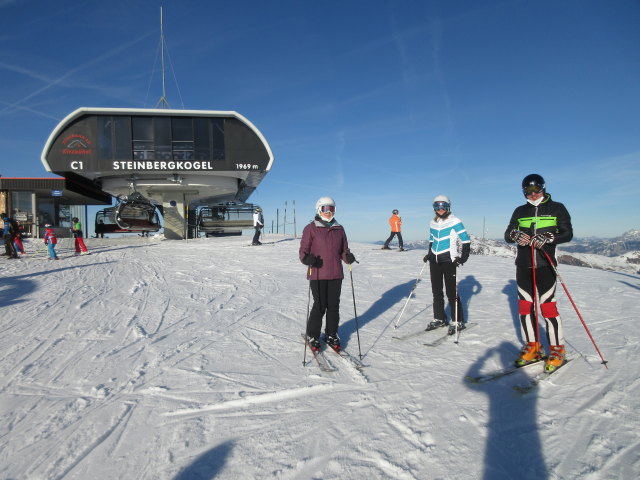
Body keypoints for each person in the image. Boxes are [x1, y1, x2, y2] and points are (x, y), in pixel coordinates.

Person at [505, 174, 573, 372]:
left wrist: (551, 236)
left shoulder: (557, 207)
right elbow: (508, 234)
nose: (533, 195)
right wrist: (516, 235)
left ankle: (557, 349)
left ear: (543, 188)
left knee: (548, 308)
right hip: (523, 265)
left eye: (536, 190)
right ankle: (533, 346)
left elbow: (567, 233)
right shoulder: (520, 210)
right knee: (525, 307)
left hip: (546, 265)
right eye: (528, 191)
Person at [299, 196, 356, 352]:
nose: (329, 212)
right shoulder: (310, 228)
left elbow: (343, 250)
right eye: (325, 209)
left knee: (333, 306)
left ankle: (331, 334)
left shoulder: (339, 229)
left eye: (331, 209)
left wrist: (348, 257)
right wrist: (307, 258)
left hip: (336, 273)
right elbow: (303, 251)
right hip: (317, 272)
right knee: (320, 305)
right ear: (319, 209)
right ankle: (313, 335)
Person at [423, 195, 471, 335]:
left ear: (448, 206)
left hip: (449, 259)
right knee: (436, 291)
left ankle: (457, 321)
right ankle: (439, 318)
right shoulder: (432, 222)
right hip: (435, 260)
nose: (441, 209)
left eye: (443, 206)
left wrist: (463, 258)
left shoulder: (455, 220)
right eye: (437, 206)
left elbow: (465, 240)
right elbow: (432, 240)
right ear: (434, 208)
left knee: (451, 292)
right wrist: (429, 254)